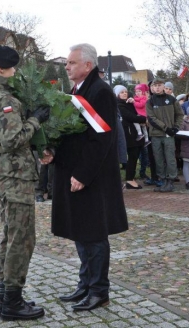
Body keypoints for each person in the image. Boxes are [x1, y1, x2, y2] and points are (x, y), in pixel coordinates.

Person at [50, 43, 128, 312]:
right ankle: (85, 284)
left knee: (94, 235)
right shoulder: (79, 90)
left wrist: (82, 173)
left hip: (92, 177)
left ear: (88, 65)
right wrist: (53, 152)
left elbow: (101, 138)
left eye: (71, 63)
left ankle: (99, 291)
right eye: (67, 63)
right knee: (80, 232)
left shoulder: (101, 92)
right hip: (75, 172)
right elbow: (73, 133)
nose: (67, 67)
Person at [0, 45, 49, 321]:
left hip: (4, 172)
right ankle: (12, 303)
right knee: (21, 239)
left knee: (11, 236)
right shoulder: (4, 99)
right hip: (14, 174)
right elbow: (13, 139)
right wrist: (36, 120)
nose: (16, 72)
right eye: (13, 67)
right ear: (3, 69)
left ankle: (6, 298)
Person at [146, 77, 184, 192]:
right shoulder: (150, 101)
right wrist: (165, 128)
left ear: (163, 86)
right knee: (158, 158)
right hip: (156, 134)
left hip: (169, 135)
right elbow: (151, 118)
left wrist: (176, 127)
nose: (157, 88)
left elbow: (180, 114)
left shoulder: (172, 99)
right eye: (155, 86)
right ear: (152, 88)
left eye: (159, 85)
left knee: (170, 157)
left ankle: (170, 180)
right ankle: (162, 180)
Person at [114, 84, 146, 189]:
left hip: (135, 134)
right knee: (132, 157)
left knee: (135, 156)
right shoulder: (119, 105)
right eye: (122, 92)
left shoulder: (129, 103)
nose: (124, 94)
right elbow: (130, 116)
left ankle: (130, 178)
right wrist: (143, 119)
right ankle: (129, 179)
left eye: (125, 92)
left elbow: (139, 111)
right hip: (128, 135)